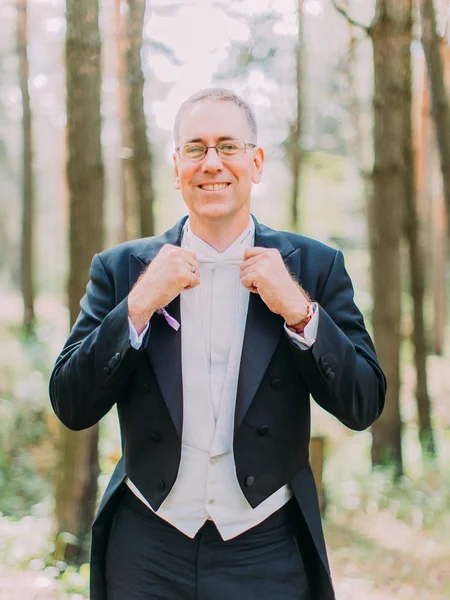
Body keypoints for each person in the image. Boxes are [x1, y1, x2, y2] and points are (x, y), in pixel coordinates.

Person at [49, 88, 386, 600]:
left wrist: (299, 311)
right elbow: (71, 403)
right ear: (175, 166)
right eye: (195, 148)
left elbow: (363, 403)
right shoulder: (120, 270)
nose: (212, 164)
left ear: (256, 161)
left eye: (228, 147)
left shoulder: (315, 267)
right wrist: (138, 306)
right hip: (146, 548)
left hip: (266, 549)